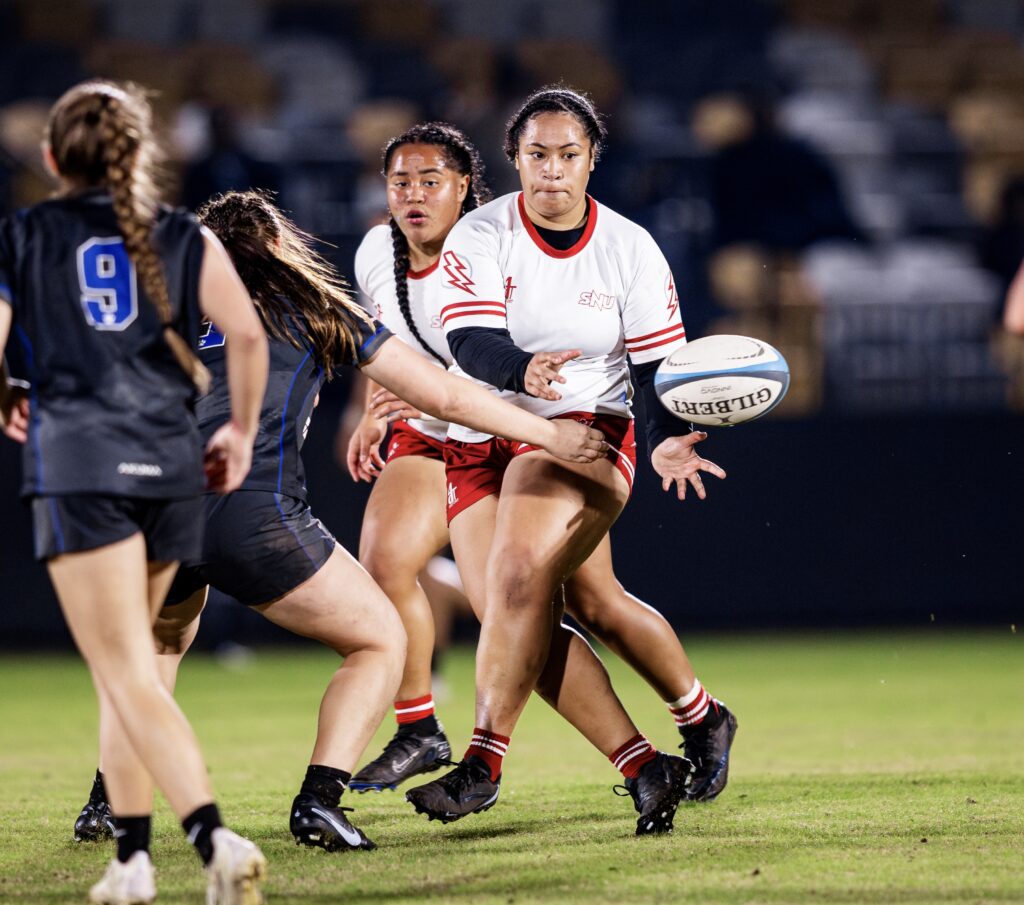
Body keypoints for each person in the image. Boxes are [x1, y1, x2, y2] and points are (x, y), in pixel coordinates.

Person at [68, 188, 607, 855]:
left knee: (158, 647)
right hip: (248, 509)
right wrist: (548, 436)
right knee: (381, 638)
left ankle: (107, 803)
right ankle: (319, 800)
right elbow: (441, 392)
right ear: (276, 248)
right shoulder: (310, 303)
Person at [345, 121, 737, 810]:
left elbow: (652, 367)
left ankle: (482, 764)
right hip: (475, 434)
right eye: (537, 155)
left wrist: (669, 433)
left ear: (591, 162)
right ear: (516, 161)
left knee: (518, 581)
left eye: (567, 155)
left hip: (578, 431)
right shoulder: (468, 235)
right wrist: (393, 397)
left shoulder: (628, 246)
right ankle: (685, 730)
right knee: (564, 606)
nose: (552, 170)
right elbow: (463, 339)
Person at [0, 81, 270, 905]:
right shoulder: (182, 234)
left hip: (82, 466)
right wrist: (242, 432)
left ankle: (213, 838)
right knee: (133, 671)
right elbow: (249, 335)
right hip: (171, 464)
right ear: (141, 153)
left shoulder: (27, 232)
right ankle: (131, 860)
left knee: (122, 667)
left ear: (51, 157)